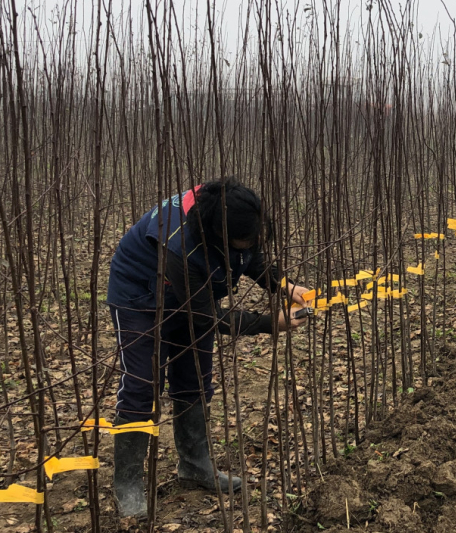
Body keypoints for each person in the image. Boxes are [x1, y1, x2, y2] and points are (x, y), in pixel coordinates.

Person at [105, 178, 311, 519]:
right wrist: (269, 323)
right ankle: (126, 482)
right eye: (239, 241)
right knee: (141, 386)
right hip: (139, 298)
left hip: (191, 292)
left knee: (195, 377)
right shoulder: (179, 243)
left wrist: (285, 285)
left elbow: (249, 256)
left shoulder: (230, 212)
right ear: (215, 234)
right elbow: (205, 316)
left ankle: (195, 465)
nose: (246, 247)